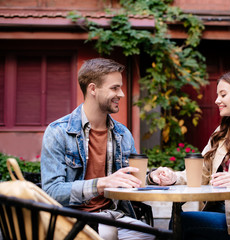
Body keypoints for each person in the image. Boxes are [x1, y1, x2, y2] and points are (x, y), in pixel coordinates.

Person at [147, 69, 230, 239]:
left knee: (182, 221)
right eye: (218, 95)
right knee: (178, 221)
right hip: (215, 212)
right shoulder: (221, 133)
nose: (217, 100)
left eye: (223, 95)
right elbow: (201, 174)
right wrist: (173, 177)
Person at [41, 58, 154, 240]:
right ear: (93, 89)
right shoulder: (58, 132)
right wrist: (100, 184)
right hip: (71, 220)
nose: (122, 94)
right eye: (115, 88)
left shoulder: (123, 134)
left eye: (121, 87)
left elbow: (133, 180)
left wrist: (152, 177)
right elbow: (51, 191)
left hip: (114, 215)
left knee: (150, 236)